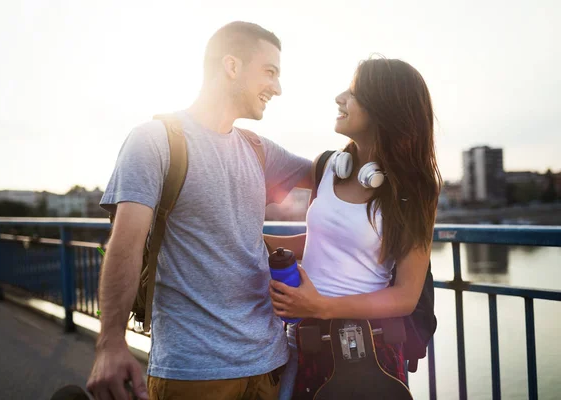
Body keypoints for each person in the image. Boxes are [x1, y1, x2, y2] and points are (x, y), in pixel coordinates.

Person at [86, 21, 313, 400]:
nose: (277, 88)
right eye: (270, 72)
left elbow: (331, 174)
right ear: (232, 66)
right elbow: (124, 245)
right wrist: (110, 343)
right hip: (195, 372)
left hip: (271, 362)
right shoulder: (155, 141)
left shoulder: (257, 149)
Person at [264, 57, 442, 399]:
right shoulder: (328, 166)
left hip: (364, 353)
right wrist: (254, 241)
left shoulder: (414, 190)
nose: (339, 98)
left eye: (354, 92)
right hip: (300, 340)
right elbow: (323, 241)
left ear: (384, 109)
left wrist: (319, 306)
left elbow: (405, 297)